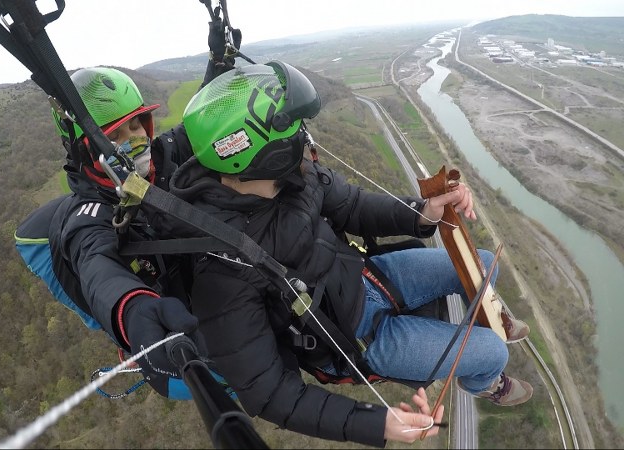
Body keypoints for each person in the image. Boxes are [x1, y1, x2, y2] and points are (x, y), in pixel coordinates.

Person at [154, 61, 533, 446]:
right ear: (258, 156)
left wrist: (422, 213)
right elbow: (269, 392)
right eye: (290, 134)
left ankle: (489, 315)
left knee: (484, 263)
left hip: (368, 276)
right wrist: (376, 423)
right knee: (492, 352)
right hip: (361, 338)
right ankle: (486, 382)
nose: (302, 138)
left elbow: (353, 205)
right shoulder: (222, 270)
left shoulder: (294, 176)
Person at [14, 15, 241, 399]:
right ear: (88, 150)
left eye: (136, 125)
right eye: (115, 135)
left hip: (203, 281)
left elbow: (198, 126)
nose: (134, 139)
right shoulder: (86, 216)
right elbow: (96, 266)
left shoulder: (159, 158)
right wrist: (131, 312)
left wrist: (218, 65)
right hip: (173, 328)